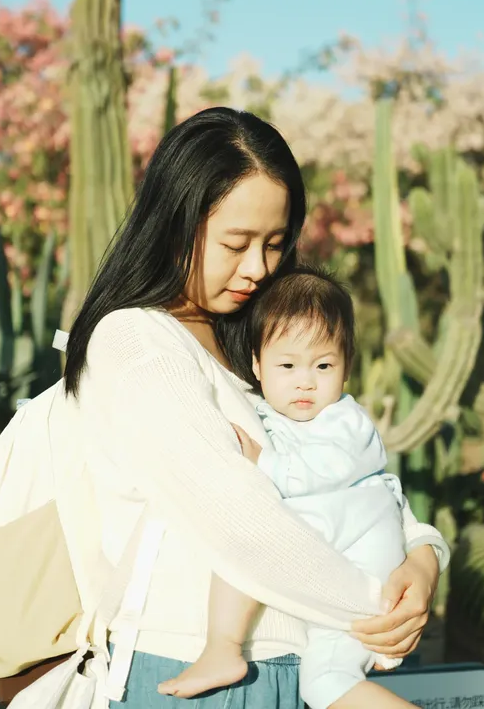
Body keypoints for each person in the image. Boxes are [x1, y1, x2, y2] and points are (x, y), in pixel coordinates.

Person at [65, 107, 449, 709]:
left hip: (293, 671)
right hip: (189, 674)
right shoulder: (139, 342)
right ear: (175, 225)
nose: (258, 269)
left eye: (274, 244)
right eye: (235, 243)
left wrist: (423, 561)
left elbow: (357, 482)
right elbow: (242, 524)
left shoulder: (261, 349)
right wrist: (379, 606)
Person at [158, 265, 425, 709]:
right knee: (325, 682)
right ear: (258, 367)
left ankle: (223, 646)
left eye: (323, 365)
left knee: (252, 536)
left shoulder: (346, 420)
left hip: (360, 546)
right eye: (287, 365)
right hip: (336, 547)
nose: (305, 380)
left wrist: (267, 464)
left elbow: (325, 469)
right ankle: (224, 646)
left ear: (346, 369)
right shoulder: (266, 414)